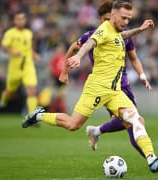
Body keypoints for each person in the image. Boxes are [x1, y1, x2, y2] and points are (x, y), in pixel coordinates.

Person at [22, 1, 158, 173]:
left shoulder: (117, 32)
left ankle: (152, 160)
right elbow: (90, 43)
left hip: (115, 91)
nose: (126, 22)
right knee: (73, 125)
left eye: (128, 19)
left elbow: (123, 36)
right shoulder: (103, 29)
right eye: (124, 18)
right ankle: (39, 115)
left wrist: (140, 29)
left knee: (137, 120)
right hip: (96, 88)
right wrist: (79, 57)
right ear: (113, 15)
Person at [59, 0, 151, 159]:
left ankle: (96, 131)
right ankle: (152, 160)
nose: (113, 22)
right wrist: (65, 70)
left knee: (133, 123)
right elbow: (75, 47)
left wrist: (142, 75)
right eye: (107, 18)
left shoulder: (123, 34)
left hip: (123, 86)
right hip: (102, 86)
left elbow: (134, 58)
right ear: (102, 19)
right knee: (135, 123)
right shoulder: (93, 34)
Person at [0, 11, 40, 114]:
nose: (21, 21)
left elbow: (29, 48)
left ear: (25, 20)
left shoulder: (29, 33)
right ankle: (3, 101)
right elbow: (3, 47)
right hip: (15, 68)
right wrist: (12, 51)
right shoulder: (10, 33)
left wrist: (34, 54)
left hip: (28, 66)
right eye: (18, 19)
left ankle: (32, 116)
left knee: (32, 90)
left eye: (22, 19)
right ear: (14, 21)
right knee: (10, 92)